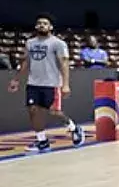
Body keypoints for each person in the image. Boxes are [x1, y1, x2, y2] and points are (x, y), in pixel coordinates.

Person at [6, 13, 84, 151]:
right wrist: (16, 79)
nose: (42, 25)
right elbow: (25, 62)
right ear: (36, 26)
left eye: (45, 23)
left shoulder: (58, 43)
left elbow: (64, 63)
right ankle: (42, 141)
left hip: (52, 84)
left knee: (54, 112)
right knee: (33, 110)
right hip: (33, 83)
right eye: (39, 23)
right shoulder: (30, 43)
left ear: (50, 27)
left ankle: (73, 127)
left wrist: (65, 84)